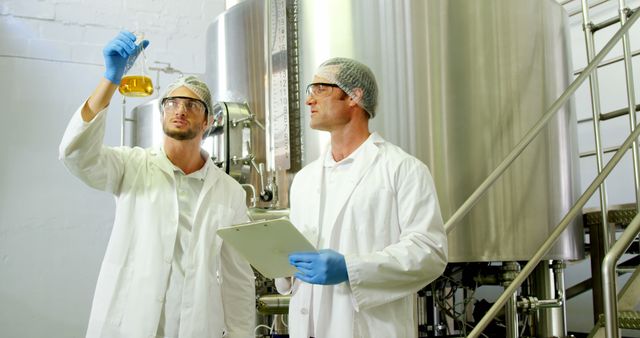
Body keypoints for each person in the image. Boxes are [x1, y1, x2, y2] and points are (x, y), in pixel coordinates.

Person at [59, 31, 255, 338]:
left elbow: (238, 279)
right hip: (128, 325)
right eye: (171, 103)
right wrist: (110, 80)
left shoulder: (229, 192)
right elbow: (76, 155)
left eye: (191, 105)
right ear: (162, 113)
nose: (179, 109)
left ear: (207, 122)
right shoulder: (132, 166)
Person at [275, 57, 448, 337]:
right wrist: (283, 266)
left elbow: (430, 252)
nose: (309, 100)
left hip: (369, 328)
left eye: (319, 88)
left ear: (355, 95)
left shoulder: (402, 169)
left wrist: (350, 268)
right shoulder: (305, 179)